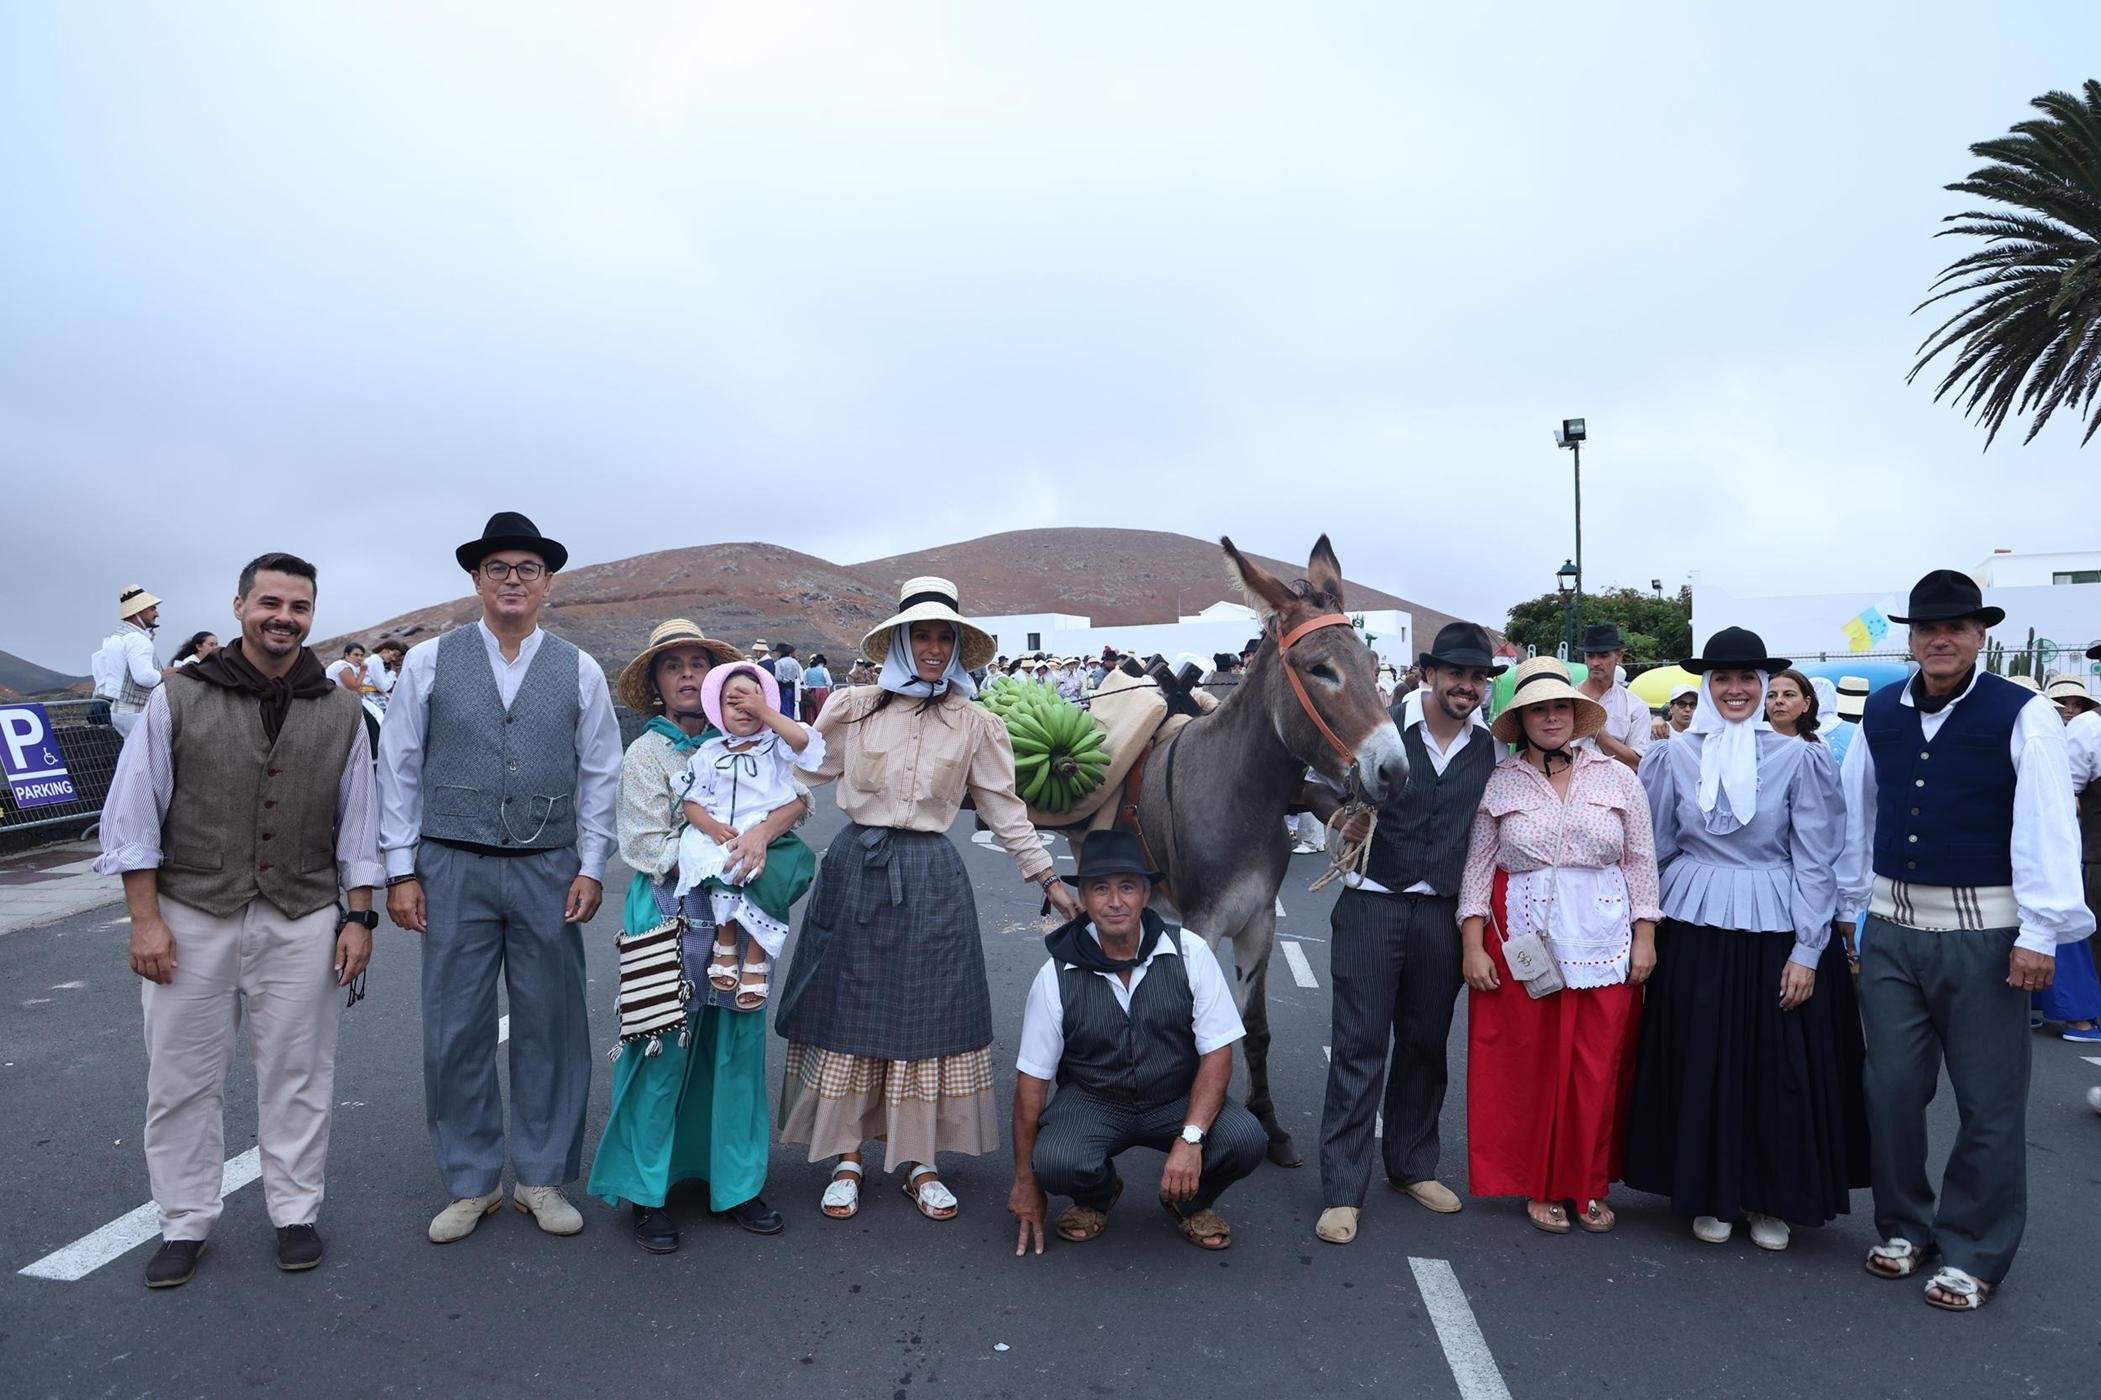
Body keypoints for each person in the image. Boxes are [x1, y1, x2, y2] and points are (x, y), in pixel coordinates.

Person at [94, 552, 379, 1287]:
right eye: (270, 603)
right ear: (240, 606)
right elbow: (132, 816)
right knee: (181, 1078)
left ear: (311, 615)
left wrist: (360, 919)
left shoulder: (343, 708)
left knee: (299, 1074)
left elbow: (360, 827)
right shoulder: (179, 697)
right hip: (193, 914)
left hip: (302, 913)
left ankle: (294, 1213)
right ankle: (184, 1221)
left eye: (299, 606)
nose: (284, 617)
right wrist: (144, 920)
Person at [775, 577, 1081, 1223]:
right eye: (923, 635)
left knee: (928, 1016)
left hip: (933, 877)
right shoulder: (851, 708)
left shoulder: (976, 723)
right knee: (849, 1014)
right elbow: (796, 777)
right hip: (856, 870)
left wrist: (1049, 880)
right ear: (897, 642)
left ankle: (921, 1164)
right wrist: (738, 833)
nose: (935, 648)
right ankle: (848, 1157)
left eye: (946, 637)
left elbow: (1003, 808)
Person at [1835, 570, 2093, 1310]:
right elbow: (1857, 817)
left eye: (1954, 627)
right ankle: (1904, 1226)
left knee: (1987, 1100)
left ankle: (1974, 1249)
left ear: (1980, 635)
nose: (1938, 639)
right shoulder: (1880, 712)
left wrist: (2039, 931)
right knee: (1888, 1090)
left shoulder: (2023, 713)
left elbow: (2046, 821)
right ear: (1910, 638)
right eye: (1925, 628)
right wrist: (1848, 913)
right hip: (1888, 928)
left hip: (1984, 935)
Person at [378, 512, 624, 1245]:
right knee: (455, 1028)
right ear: (476, 581)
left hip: (548, 866)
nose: (512, 581)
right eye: (498, 569)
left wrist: (590, 864)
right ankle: (470, 1181)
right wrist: (400, 870)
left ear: (546, 584)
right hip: (450, 862)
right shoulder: (428, 660)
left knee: (551, 1024)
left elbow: (601, 772)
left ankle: (541, 1178)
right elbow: (398, 767)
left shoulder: (578, 668)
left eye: (526, 569)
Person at [1625, 628, 1866, 1252]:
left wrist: (1808, 950)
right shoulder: (1672, 755)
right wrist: (1642, 928)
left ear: (1764, 687)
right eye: (1723, 679)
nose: (1735, 690)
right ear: (1707, 687)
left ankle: (1769, 1196)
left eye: (1747, 679)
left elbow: (1817, 859)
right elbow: (1653, 849)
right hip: (1694, 924)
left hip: (1777, 925)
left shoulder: (1801, 758)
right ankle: (1709, 1192)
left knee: (1775, 1061)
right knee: (1700, 1054)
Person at [587, 620, 805, 1252]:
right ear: (656, 684)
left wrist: (761, 834)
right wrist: (725, 848)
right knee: (661, 1045)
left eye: (696, 663)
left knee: (735, 1043)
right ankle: (645, 1190)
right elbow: (644, 844)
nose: (685, 673)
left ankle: (734, 1182)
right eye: (671, 665)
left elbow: (800, 801)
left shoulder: (750, 739)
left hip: (739, 910)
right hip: (667, 910)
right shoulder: (646, 754)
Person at [1313, 622, 1503, 1246]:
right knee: (1359, 1047)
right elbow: (1326, 801)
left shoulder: (1489, 751)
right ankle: (1343, 1190)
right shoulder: (1382, 731)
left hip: (1441, 915)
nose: (1467, 687)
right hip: (1371, 905)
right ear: (1429, 673)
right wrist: (1338, 826)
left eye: (1477, 677)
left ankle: (1412, 1165)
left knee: (1425, 1046)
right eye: (1457, 674)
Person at [1458, 657, 1660, 1235]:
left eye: (1560, 707)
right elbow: (1477, 869)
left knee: (1597, 1068)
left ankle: (1588, 1184)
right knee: (1533, 1071)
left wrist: (1645, 937)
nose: (1551, 717)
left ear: (1577, 714)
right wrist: (1473, 946)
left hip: (1604, 941)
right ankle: (1541, 1184)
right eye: (1537, 709)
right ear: (1520, 720)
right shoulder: (1500, 782)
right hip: (1524, 942)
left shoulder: (1619, 779)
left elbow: (1640, 861)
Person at [1007, 831, 1265, 1254]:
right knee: (1054, 1162)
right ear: (1084, 899)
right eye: (1100, 889)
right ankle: (1097, 1195)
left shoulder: (1191, 953)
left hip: (1173, 1098)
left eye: (1127, 886)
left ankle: (1188, 1201)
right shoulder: (1054, 976)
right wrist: (1024, 1181)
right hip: (1094, 1099)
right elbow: (1031, 1087)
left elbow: (1218, 1053)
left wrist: (1191, 1138)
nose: (1115, 901)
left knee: (1245, 1138)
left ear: (1146, 894)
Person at [675, 662, 822, 1011]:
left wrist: (766, 712)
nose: (744, 709)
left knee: (769, 878)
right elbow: (691, 803)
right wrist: (710, 828)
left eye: (752, 701)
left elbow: (802, 740)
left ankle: (756, 957)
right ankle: (725, 943)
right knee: (719, 865)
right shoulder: (710, 753)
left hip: (768, 834)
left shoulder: (774, 746)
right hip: (723, 832)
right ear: (716, 709)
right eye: (732, 702)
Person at [2033, 674, 2101, 1042]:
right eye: (2064, 706)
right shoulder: (2075, 732)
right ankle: (2079, 1017)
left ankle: (2074, 1014)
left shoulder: (2081, 732)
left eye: (2076, 704)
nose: (2070, 711)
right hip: (2069, 849)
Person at [93, 584, 168, 738]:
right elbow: (144, 677)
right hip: (138, 711)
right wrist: (165, 674)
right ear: (139, 611)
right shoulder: (137, 639)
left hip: (119, 711)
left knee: (131, 757)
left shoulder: (117, 636)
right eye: (152, 609)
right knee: (152, 759)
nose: (157, 613)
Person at [1576, 623, 1651, 770]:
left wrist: (1599, 734)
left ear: (1619, 656)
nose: (1595, 662)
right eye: (1590, 656)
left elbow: (1638, 764)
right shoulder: (1566, 700)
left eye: (1603, 655)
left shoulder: (1635, 707)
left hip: (1616, 789)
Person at [1762, 667, 1822, 742]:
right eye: (1771, 696)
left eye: (1789, 695)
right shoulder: (1751, 743)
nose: (1778, 700)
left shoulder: (1814, 748)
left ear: (1806, 703)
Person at [771, 643, 803, 720]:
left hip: (782, 687)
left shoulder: (779, 662)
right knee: (791, 706)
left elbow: (777, 677)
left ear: (781, 652)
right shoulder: (795, 662)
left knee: (783, 708)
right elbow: (799, 676)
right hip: (792, 687)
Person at [799, 653, 833, 723]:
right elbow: (830, 683)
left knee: (810, 709)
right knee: (821, 708)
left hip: (810, 691)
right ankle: (822, 723)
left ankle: (811, 722)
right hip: (822, 691)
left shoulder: (806, 671)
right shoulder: (824, 670)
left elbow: (805, 682)